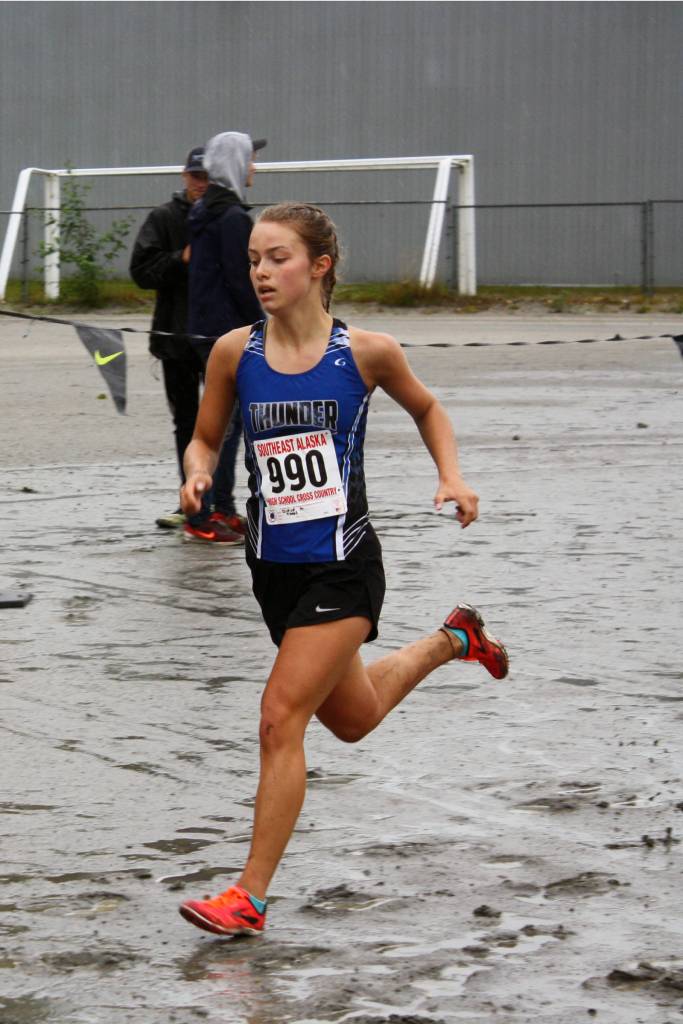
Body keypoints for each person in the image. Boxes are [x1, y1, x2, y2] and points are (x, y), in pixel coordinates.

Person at [177, 202, 509, 936]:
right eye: (255, 259)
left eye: (277, 258)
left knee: (278, 718)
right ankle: (453, 639)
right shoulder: (235, 352)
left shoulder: (366, 352)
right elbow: (204, 439)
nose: (260, 272)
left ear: (318, 266)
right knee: (352, 719)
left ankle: (249, 897)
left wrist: (451, 477)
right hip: (271, 569)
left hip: (343, 566)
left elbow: (428, 409)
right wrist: (196, 473)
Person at [183, 131, 266, 543]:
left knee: (226, 425)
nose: (254, 167)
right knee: (225, 427)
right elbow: (241, 281)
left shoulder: (203, 212)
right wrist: (264, 328)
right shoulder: (232, 218)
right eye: (249, 159)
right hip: (225, 334)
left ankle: (224, 507)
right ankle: (204, 515)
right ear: (235, 163)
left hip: (205, 329)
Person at [129, 146, 208, 530]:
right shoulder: (162, 218)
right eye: (196, 176)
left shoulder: (229, 218)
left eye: (208, 177)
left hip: (219, 340)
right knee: (187, 422)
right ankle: (189, 498)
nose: (201, 183)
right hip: (175, 338)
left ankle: (221, 501)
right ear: (184, 176)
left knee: (229, 422)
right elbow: (140, 271)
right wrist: (182, 259)